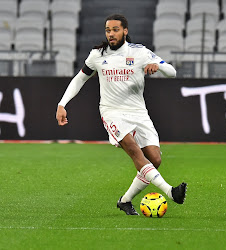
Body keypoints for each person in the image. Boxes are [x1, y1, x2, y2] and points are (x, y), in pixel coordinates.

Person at [56, 14, 187, 215]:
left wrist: (157, 66)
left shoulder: (140, 52)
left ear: (125, 31)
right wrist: (62, 104)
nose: (111, 34)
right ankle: (171, 192)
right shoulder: (97, 55)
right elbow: (79, 79)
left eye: (115, 29)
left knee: (154, 159)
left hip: (138, 112)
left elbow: (172, 72)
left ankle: (125, 201)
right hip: (111, 112)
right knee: (135, 151)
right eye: (108, 30)